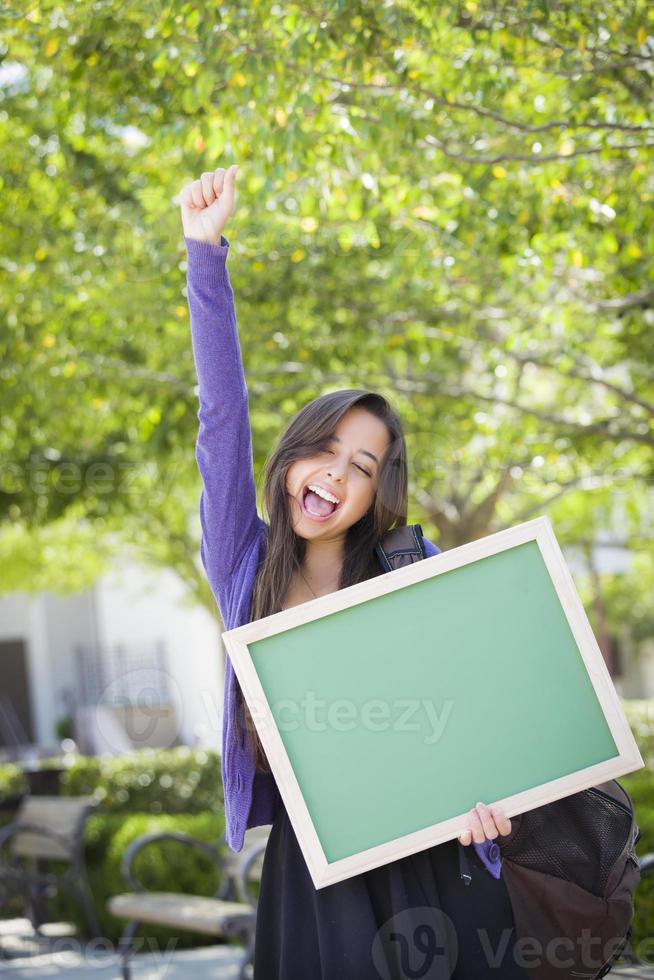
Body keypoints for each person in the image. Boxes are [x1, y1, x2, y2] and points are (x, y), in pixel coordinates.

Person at [179, 164, 529, 979]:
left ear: (379, 494)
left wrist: (490, 802)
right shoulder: (245, 562)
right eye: (325, 448)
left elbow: (485, 700)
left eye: (362, 466)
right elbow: (221, 414)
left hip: (432, 851)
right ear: (295, 456)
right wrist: (205, 254)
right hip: (316, 865)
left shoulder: (411, 563)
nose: (335, 475)